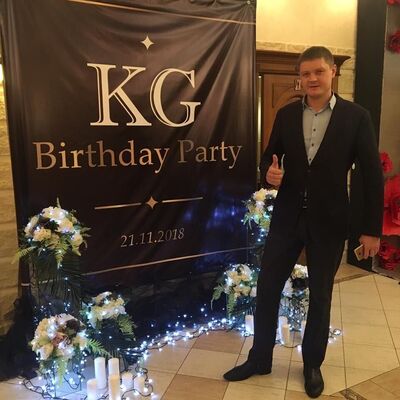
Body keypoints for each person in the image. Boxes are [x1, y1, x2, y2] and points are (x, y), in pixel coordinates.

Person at [223, 46, 384, 398]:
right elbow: (269, 158)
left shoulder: (356, 117)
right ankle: (259, 358)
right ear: (300, 77)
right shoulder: (286, 114)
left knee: (321, 294)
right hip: (287, 217)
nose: (312, 79)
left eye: (319, 72)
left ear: (332, 73)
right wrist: (269, 174)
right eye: (306, 73)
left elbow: (372, 175)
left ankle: (312, 364)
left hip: (330, 220)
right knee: (267, 288)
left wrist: (371, 230)